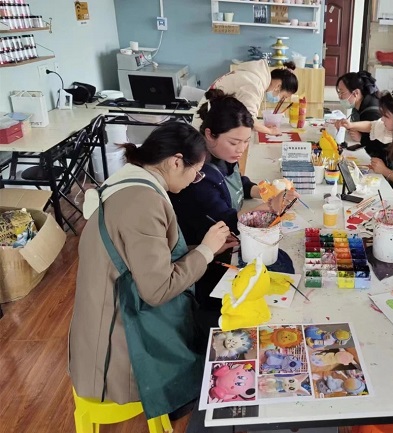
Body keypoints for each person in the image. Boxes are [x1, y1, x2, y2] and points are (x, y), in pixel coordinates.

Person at [69, 122, 232, 418]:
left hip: (110, 323)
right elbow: (157, 290)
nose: (195, 180)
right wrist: (205, 251)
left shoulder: (129, 182)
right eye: (196, 172)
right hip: (122, 352)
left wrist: (204, 248)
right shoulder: (143, 202)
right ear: (176, 162)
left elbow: (149, 257)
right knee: (224, 349)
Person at [170, 89, 298, 307]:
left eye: (246, 141)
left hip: (227, 245)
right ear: (209, 134)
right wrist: (267, 208)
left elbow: (240, 182)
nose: (241, 149)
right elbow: (228, 221)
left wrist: (264, 191)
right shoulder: (198, 175)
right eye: (234, 142)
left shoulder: (223, 155)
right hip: (203, 262)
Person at [192, 60, 299, 135]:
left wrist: (264, 128)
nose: (280, 99)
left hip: (209, 122)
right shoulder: (254, 84)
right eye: (283, 96)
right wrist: (270, 131)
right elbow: (249, 120)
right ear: (278, 86)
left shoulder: (252, 76)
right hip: (206, 129)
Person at [333, 71, 386, 161]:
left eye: (342, 92)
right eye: (339, 92)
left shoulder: (372, 112)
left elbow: (381, 142)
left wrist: (361, 138)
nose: (340, 97)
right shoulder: (360, 104)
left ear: (356, 93)